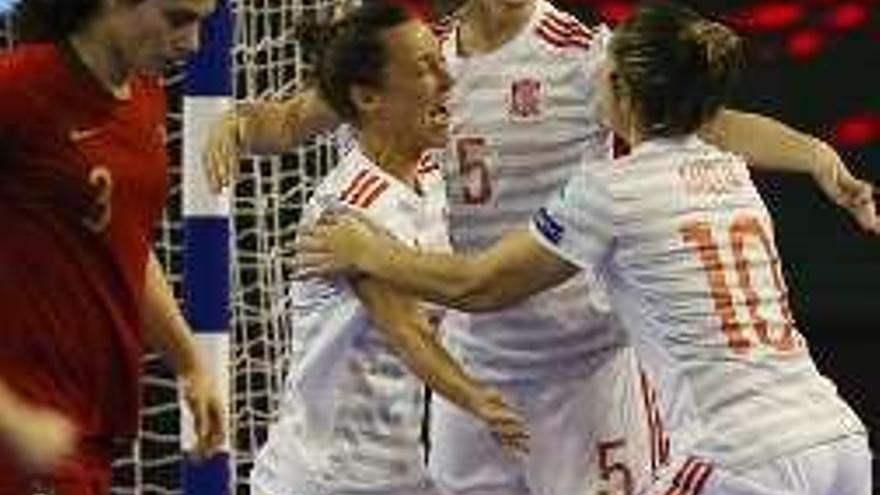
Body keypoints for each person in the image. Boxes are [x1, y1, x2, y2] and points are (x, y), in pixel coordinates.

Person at [201, 1, 877, 494]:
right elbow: (292, 119)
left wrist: (817, 154)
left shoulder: (580, 54)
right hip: (476, 368)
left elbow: (710, 123)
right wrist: (231, 120)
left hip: (583, 373)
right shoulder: (426, 60)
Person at [247, 4, 526, 495]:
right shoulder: (349, 211)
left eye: (441, 61)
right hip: (325, 479)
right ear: (368, 97)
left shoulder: (432, 178)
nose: (448, 80)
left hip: (395, 474)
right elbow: (408, 331)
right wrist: (478, 399)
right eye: (424, 68)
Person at [0, 1, 226, 493]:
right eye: (177, 18)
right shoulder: (18, 90)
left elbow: (126, 243)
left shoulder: (146, 95)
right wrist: (11, 418)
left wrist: (189, 360)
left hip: (88, 439)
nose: (193, 44)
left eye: (202, 22)